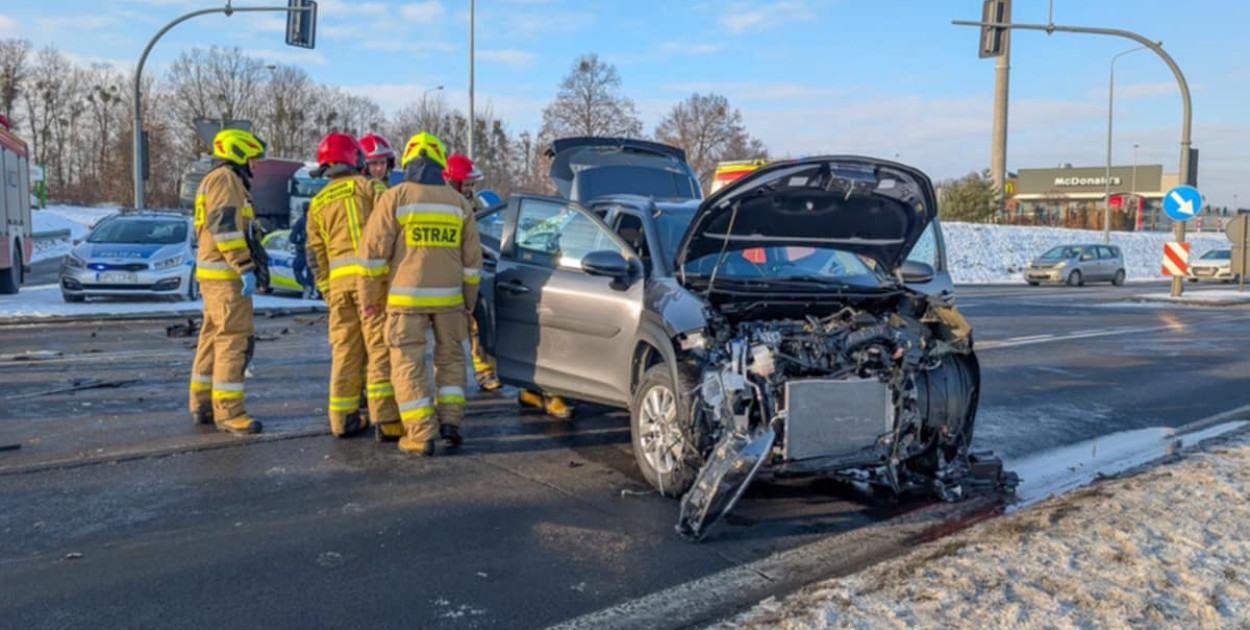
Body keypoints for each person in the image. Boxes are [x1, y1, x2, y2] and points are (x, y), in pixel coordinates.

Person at [359, 132, 482, 456]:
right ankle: (450, 422)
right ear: (441, 163)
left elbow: (372, 253)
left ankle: (420, 433)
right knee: (452, 359)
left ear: (408, 163)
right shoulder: (458, 203)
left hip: (405, 300)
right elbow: (472, 262)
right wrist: (469, 299)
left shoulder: (395, 197)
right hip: (450, 300)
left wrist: (369, 298)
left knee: (407, 364)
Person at [304, 132, 400, 439]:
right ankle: (385, 418)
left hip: (339, 290)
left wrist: (328, 290)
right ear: (354, 159)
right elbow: (393, 230)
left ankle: (342, 418)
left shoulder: (317, 202)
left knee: (345, 353)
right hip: (371, 286)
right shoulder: (370, 188)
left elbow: (314, 253)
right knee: (379, 351)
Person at [188, 128, 266, 436]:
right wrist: (244, 266)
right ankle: (229, 412)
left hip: (214, 275)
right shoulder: (226, 180)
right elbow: (226, 229)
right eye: (253, 159)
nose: (255, 166)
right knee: (233, 339)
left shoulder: (214, 179)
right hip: (226, 276)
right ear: (238, 154)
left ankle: (202, 402)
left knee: (212, 338)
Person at [441, 154, 501, 392]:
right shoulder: (444, 204)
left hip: (473, 272)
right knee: (453, 331)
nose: (470, 188)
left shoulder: (475, 204)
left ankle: (485, 373)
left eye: (471, 184)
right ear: (452, 182)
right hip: (449, 274)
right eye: (466, 183)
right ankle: (450, 382)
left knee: (479, 326)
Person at [358, 133, 395, 198]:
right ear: (364, 166)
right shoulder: (358, 192)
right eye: (374, 163)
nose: (379, 168)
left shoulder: (391, 190)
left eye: (383, 163)